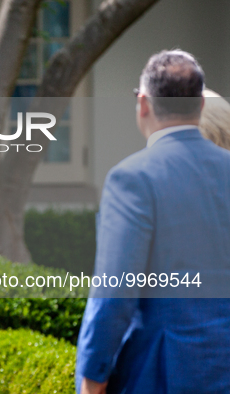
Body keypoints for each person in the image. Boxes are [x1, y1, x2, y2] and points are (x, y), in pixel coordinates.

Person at [75, 50, 230, 394]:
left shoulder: (132, 178)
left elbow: (115, 292)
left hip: (166, 371)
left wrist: (92, 379)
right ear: (200, 106)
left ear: (143, 103)